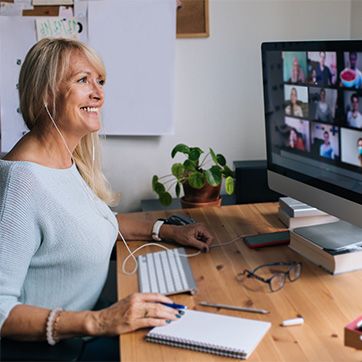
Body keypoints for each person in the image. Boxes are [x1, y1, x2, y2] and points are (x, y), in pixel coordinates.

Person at [0, 38, 214, 360]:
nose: (98, 93)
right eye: (82, 80)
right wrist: (99, 321)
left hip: (82, 334)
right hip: (55, 351)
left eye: (99, 81)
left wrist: (167, 231)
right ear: (46, 92)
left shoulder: (65, 161)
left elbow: (92, 225)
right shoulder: (22, 183)